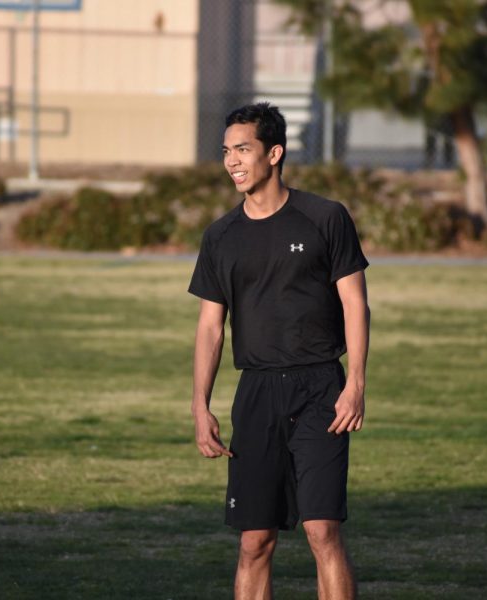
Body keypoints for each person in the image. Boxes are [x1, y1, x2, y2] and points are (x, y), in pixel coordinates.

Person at [188, 102, 371, 599]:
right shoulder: (220, 236)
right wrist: (199, 405)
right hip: (257, 394)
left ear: (274, 153)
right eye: (226, 151)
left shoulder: (325, 218)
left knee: (323, 531)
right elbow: (211, 327)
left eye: (242, 149)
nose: (232, 161)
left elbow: (355, 303)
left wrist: (354, 382)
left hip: (320, 390)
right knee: (254, 542)